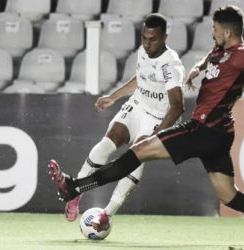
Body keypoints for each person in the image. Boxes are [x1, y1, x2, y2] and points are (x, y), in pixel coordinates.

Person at [49, 6, 244, 245]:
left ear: (228, 32)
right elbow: (211, 56)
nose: (212, 33)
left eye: (215, 29)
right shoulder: (221, 49)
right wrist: (197, 69)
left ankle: (76, 188)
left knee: (139, 151)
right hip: (221, 132)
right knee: (229, 196)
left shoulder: (243, 54)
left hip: (203, 128)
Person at [56, 13, 185, 222]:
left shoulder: (170, 66)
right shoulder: (143, 52)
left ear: (165, 38)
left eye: (153, 40)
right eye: (144, 38)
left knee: (136, 157)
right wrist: (113, 97)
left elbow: (178, 106)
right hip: (138, 105)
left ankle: (107, 214)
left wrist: (157, 136)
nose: (147, 44)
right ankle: (75, 193)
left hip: (159, 117)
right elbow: (142, 78)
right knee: (107, 143)